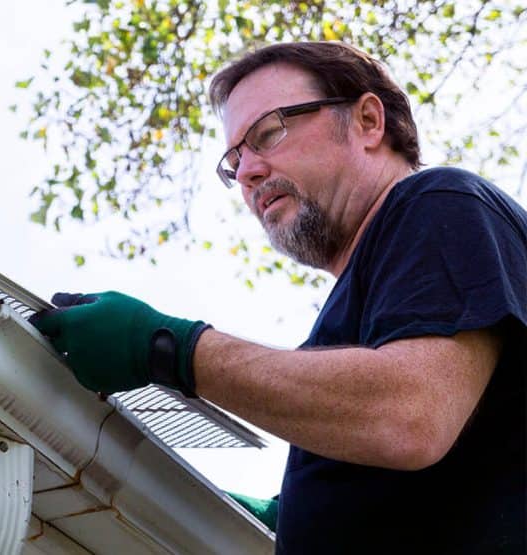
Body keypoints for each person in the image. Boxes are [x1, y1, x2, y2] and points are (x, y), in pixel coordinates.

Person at [30, 41, 526, 554]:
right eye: (235, 159)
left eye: (268, 133)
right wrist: (281, 516)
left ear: (369, 121)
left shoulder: (440, 202)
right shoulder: (350, 316)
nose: (247, 173)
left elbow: (410, 414)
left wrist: (167, 347)